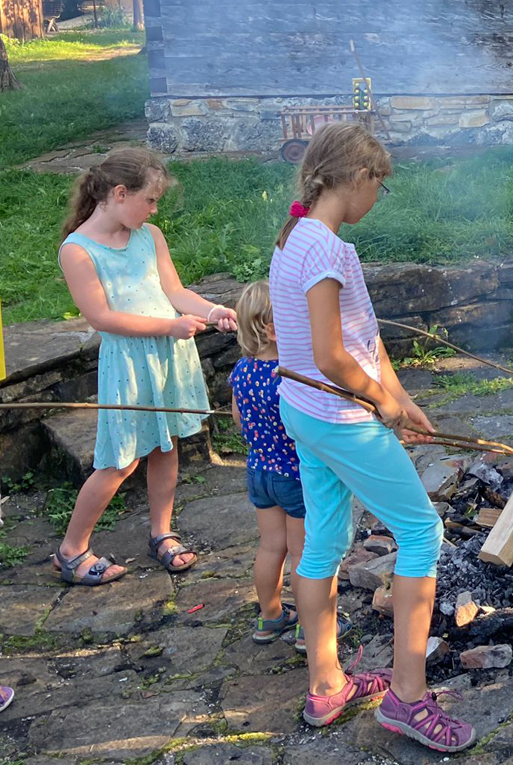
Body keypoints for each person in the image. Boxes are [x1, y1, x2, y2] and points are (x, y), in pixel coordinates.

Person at [269, 123, 474, 751]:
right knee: (421, 532)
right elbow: (332, 356)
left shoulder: (297, 239)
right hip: (339, 417)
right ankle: (408, 699)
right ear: (358, 178)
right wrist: (380, 403)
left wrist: (403, 397)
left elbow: (363, 338)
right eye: (379, 185)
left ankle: (326, 683)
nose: (379, 198)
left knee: (326, 539)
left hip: (303, 413)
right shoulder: (327, 251)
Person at [54, 148, 238, 586]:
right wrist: (168, 327)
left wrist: (213, 311)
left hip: (167, 357)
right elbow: (102, 318)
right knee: (118, 462)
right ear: (120, 193)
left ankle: (162, 532)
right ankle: (71, 549)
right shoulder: (77, 251)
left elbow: (174, 290)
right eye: (150, 199)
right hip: (130, 365)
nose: (155, 209)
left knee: (166, 445)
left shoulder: (149, 235)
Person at [229, 280, 305, 646]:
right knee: (305, 553)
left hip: (260, 471)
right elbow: (303, 427)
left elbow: (238, 420)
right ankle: (311, 626)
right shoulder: (288, 376)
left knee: (271, 547)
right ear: (273, 330)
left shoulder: (242, 371)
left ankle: (271, 617)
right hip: (295, 476)